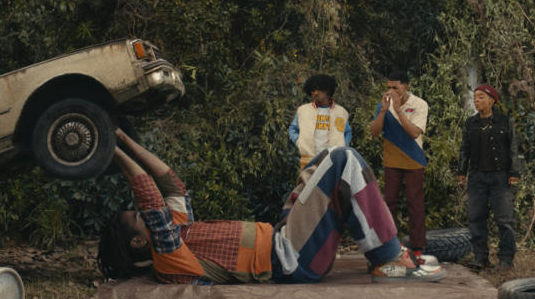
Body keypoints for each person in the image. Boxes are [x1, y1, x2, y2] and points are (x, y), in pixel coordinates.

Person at [97, 128, 445, 285]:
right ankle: (387, 259)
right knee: (343, 160)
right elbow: (150, 198)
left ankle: (382, 248)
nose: (147, 214)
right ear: (140, 242)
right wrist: (108, 149)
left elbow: (169, 184)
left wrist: (123, 139)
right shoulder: (169, 259)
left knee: (323, 159)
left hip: (283, 237)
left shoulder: (179, 228)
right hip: (288, 261)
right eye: (139, 219)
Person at [456, 84, 522, 270]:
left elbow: (513, 148)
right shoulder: (471, 123)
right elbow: (464, 150)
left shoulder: (503, 121)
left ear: (492, 100)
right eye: (475, 97)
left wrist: (514, 173)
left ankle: (506, 259)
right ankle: (480, 257)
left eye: (481, 97)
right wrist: (461, 172)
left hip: (500, 177)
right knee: (476, 218)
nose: (477, 100)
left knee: (505, 219)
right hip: (477, 177)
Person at [368, 70, 430, 259]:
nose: (391, 91)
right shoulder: (383, 105)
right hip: (392, 159)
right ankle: (391, 246)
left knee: (415, 204)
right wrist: (384, 111)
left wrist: (399, 110)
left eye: (395, 87)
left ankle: (418, 248)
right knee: (389, 203)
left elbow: (414, 133)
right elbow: (374, 132)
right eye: (388, 87)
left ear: (405, 86)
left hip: (414, 159)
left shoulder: (419, 104)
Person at [288, 74, 352, 169]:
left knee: (332, 184)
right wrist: (299, 141)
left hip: (333, 162)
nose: (315, 93)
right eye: (313, 90)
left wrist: (343, 147)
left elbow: (347, 132)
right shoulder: (303, 110)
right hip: (308, 162)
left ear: (328, 90)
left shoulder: (341, 112)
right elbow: (292, 129)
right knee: (308, 184)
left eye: (319, 89)